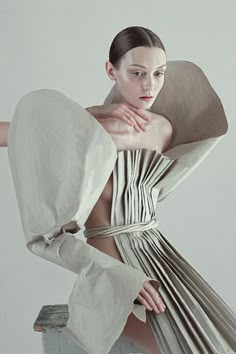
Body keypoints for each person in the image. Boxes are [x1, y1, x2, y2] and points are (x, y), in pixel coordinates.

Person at [1, 26, 236, 354]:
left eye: (158, 74)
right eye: (137, 73)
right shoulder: (83, 131)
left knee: (214, 341)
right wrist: (96, 113)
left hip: (159, 256)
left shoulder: (164, 127)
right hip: (110, 267)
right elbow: (7, 133)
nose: (149, 86)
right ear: (111, 71)